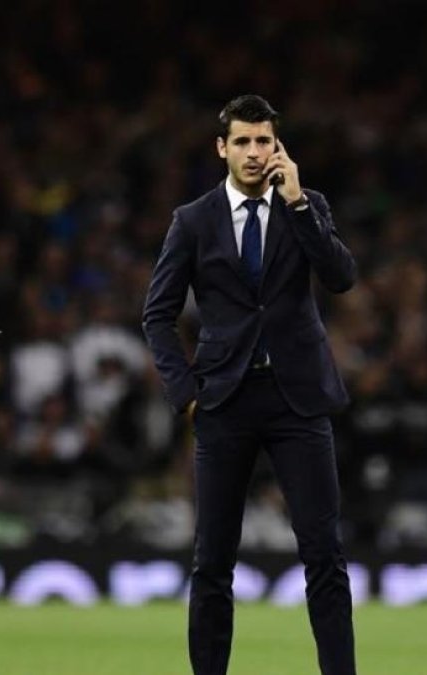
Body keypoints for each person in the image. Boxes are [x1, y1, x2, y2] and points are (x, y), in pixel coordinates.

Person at [143, 94, 358, 675]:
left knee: (324, 555)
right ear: (222, 148)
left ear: (278, 146)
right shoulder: (193, 220)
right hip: (224, 400)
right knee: (212, 561)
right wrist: (185, 393)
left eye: (265, 141)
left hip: (298, 399)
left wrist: (298, 204)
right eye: (243, 141)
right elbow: (157, 314)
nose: (255, 151)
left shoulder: (305, 204)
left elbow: (341, 277)